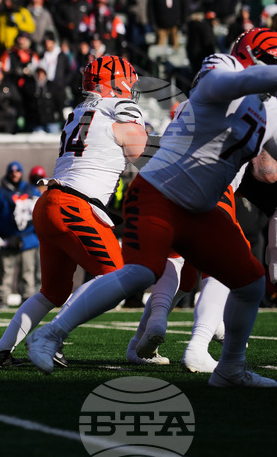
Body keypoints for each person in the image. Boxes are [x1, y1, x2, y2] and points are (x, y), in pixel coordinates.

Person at [27, 29, 277, 387]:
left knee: (250, 282)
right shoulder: (223, 66)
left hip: (203, 208)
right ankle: (51, 334)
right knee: (142, 272)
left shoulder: (271, 107)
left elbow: (269, 166)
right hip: (160, 191)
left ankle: (230, 369)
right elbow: (228, 84)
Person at [0, 57, 147, 367]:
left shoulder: (79, 111)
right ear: (116, 84)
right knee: (119, 275)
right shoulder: (120, 109)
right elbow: (142, 153)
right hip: (75, 205)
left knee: (53, 291)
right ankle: (50, 336)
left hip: (49, 202)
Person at [0, 162, 41, 308]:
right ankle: (2, 298)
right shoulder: (0, 191)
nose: (14, 174)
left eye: (17, 171)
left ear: (21, 173)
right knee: (6, 273)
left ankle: (28, 300)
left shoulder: (31, 190)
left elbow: (41, 212)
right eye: (12, 172)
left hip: (27, 237)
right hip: (8, 237)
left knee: (28, 273)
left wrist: (39, 235)